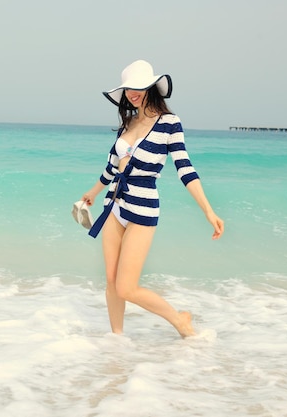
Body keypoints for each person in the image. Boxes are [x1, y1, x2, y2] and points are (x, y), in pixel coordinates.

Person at [81, 60, 224, 337]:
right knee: (111, 281)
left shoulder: (169, 123)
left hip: (142, 209)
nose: (131, 93)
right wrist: (92, 192)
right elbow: (111, 167)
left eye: (137, 87)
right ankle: (116, 341)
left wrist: (208, 210)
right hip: (114, 204)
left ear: (149, 87)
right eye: (127, 89)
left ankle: (180, 320)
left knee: (126, 287)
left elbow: (185, 168)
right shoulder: (127, 124)